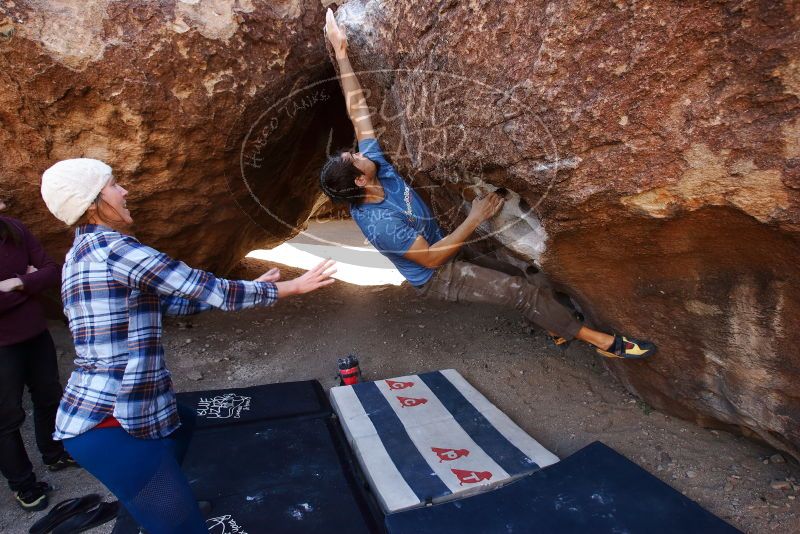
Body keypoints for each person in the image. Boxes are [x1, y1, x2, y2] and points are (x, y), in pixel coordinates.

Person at [320, 9, 656, 360]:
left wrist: (342, 52)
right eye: (353, 157)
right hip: (438, 275)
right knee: (518, 292)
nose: (358, 151)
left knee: (529, 275)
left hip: (444, 242)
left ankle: (557, 326)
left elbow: (357, 111)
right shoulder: (380, 223)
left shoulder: (377, 170)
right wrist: (476, 217)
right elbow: (433, 260)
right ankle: (607, 345)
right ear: (360, 179)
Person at [40, 158, 336, 534]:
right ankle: (162, 505)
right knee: (181, 527)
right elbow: (202, 286)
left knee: (183, 423)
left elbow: (173, 302)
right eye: (115, 185)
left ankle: (160, 494)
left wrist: (243, 290)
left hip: (118, 410)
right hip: (109, 422)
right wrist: (284, 288)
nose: (125, 190)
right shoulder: (114, 250)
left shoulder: (84, 250)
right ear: (94, 202)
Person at [0, 197, 78, 512]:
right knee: (7, 419)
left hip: (35, 334)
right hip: (3, 347)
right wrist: (30, 288)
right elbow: (39, 278)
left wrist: (18, 283)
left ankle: (54, 453)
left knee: (48, 395)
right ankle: (24, 485)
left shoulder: (14, 229)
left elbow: (51, 272)